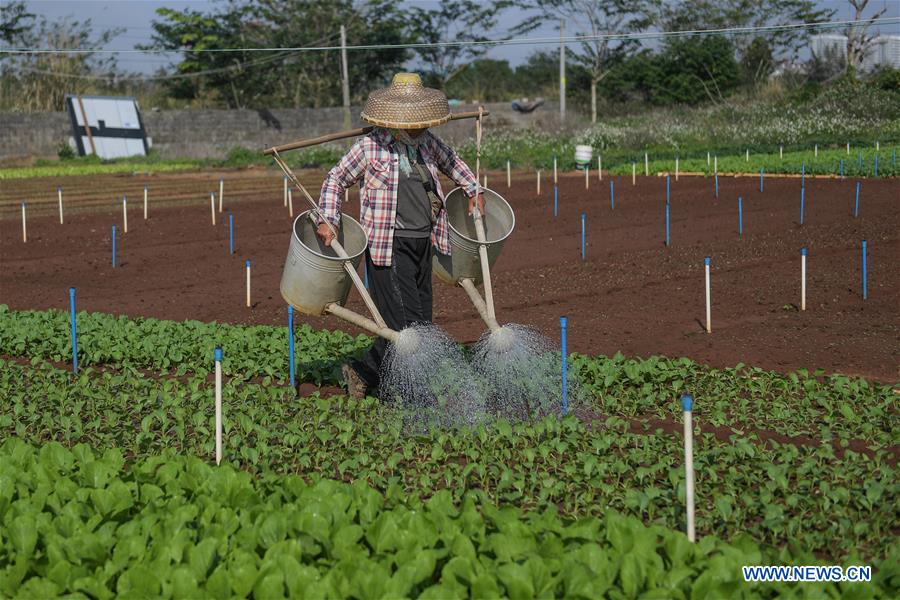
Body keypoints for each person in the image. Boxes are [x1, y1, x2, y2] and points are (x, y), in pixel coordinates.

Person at [316, 73, 485, 399]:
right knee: (404, 325)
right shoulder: (371, 146)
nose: (421, 125)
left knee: (419, 321)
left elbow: (452, 162)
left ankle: (364, 372)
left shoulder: (427, 143)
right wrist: (328, 218)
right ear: (398, 118)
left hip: (423, 242)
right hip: (387, 246)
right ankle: (405, 394)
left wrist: (473, 188)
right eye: (416, 121)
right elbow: (336, 178)